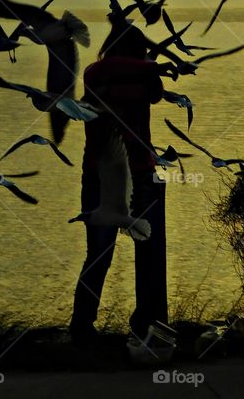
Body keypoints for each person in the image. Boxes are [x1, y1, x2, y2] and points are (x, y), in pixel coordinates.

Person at [70, 20, 168, 346]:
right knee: (101, 254)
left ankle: (147, 323)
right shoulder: (96, 73)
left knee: (143, 254)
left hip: (135, 174)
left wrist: (149, 67)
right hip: (107, 177)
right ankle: (82, 326)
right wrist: (153, 63)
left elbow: (157, 95)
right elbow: (113, 68)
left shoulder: (135, 74)